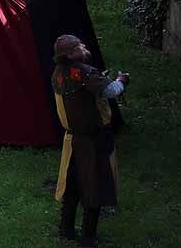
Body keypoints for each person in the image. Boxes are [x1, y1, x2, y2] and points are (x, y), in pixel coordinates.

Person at [52, 35, 129, 247]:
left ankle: (66, 229)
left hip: (73, 139)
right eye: (79, 47)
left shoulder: (58, 72)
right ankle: (88, 238)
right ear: (70, 54)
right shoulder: (85, 73)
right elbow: (111, 91)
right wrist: (121, 80)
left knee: (73, 185)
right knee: (94, 187)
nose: (84, 48)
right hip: (93, 141)